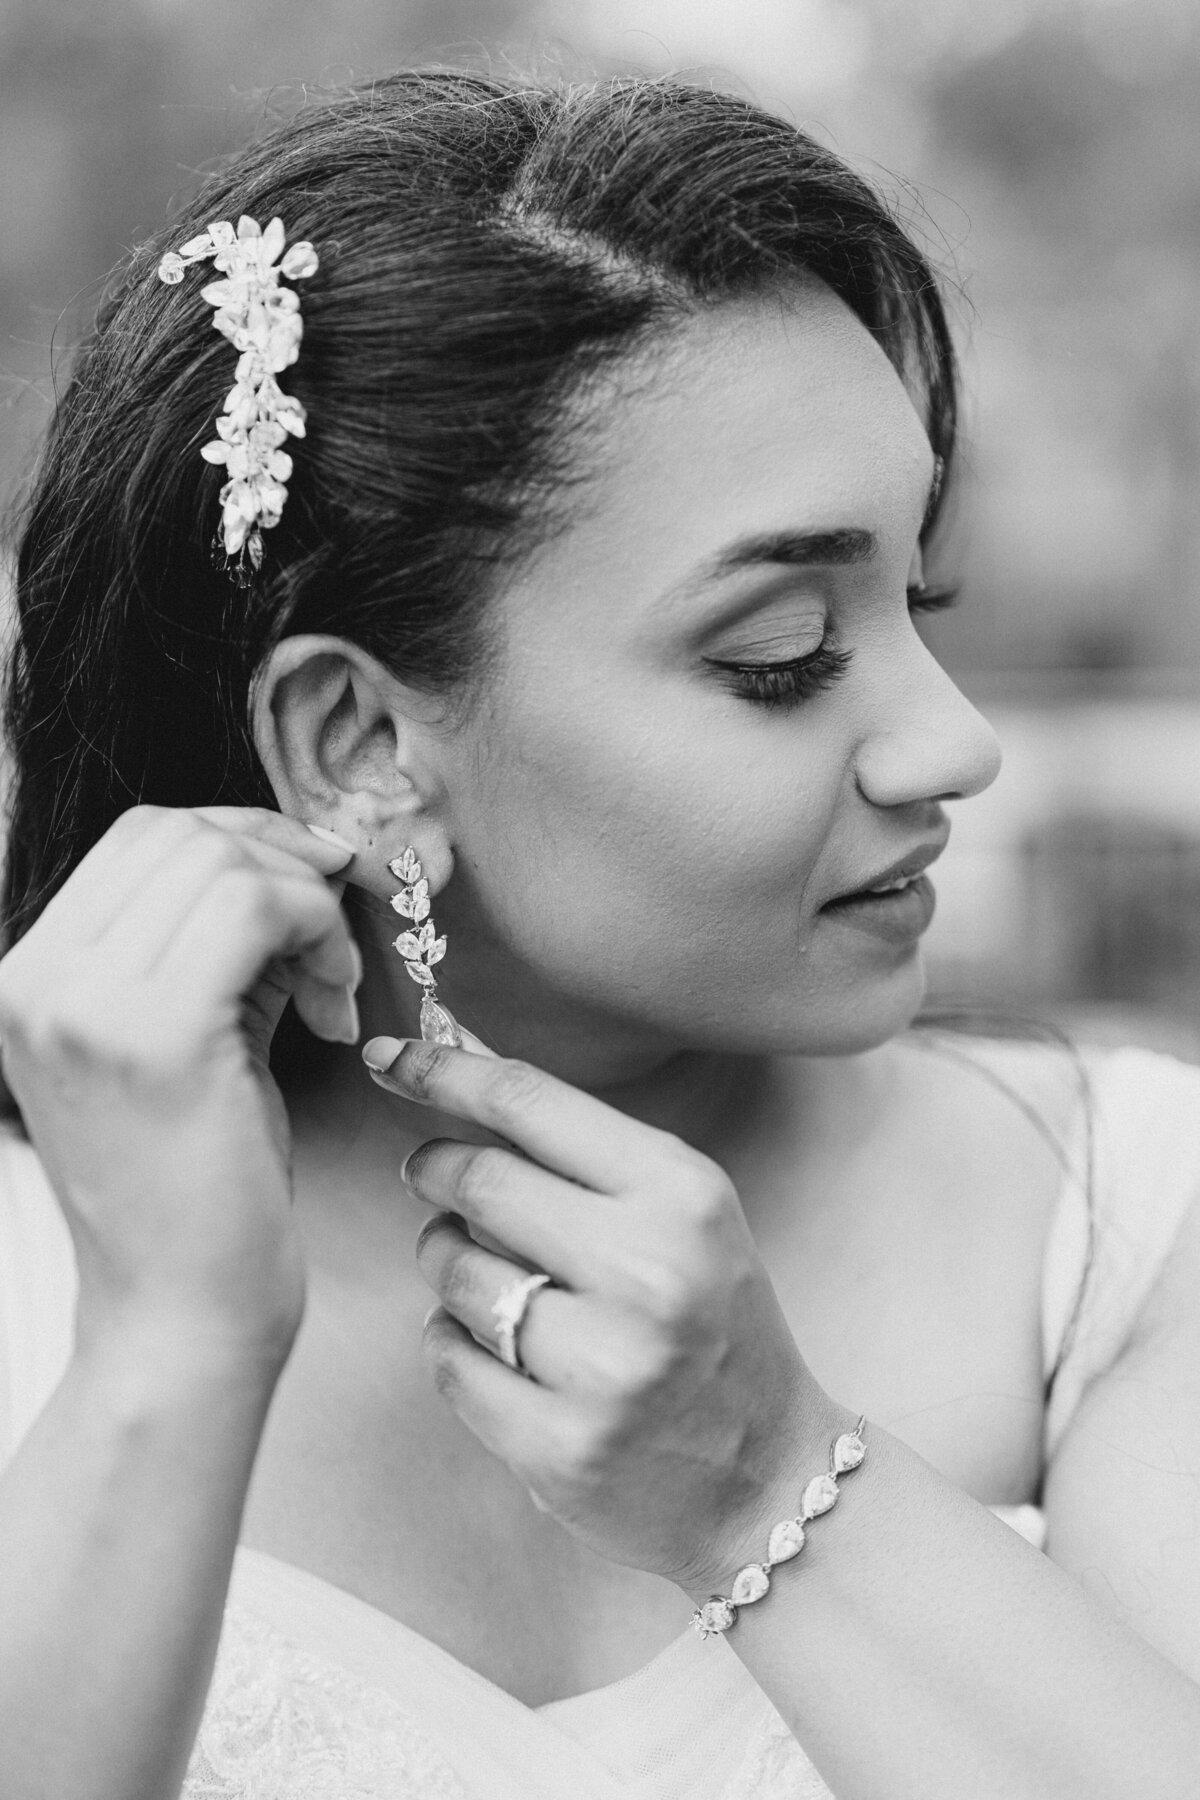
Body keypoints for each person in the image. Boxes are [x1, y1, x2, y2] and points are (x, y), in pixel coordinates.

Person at [0, 68, 1198, 1800]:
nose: (956, 744)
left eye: (917, 597)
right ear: (358, 747)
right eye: (780, 652)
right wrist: (169, 1347)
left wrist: (769, 1482)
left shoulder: (1118, 1229)